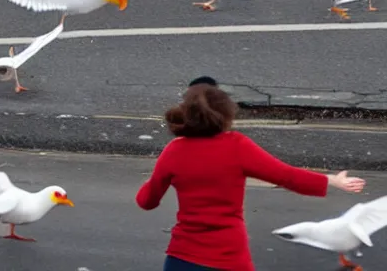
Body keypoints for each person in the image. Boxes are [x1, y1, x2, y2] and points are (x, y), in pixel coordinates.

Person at [135, 84, 366, 271]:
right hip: (229, 257)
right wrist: (332, 180)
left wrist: (159, 176)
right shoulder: (236, 146)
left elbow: (147, 201)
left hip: (183, 257)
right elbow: (286, 176)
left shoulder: (174, 151)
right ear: (225, 116)